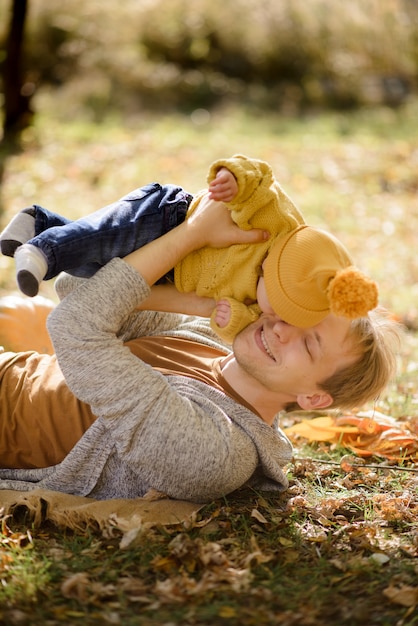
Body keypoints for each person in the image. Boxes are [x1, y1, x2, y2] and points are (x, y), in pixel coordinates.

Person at [0, 196, 402, 502]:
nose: (282, 328)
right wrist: (201, 300)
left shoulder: (218, 450)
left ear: (313, 397)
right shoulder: (209, 341)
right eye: (295, 313)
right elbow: (80, 288)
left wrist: (190, 235)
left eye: (310, 343)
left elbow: (74, 325)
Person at [0, 154, 378, 343]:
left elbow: (234, 325)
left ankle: (39, 221)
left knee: (95, 268)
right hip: (171, 215)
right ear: (278, 269)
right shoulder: (274, 221)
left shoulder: (257, 301)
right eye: (278, 303)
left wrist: (230, 320)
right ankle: (43, 249)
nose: (272, 314)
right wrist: (232, 179)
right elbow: (258, 176)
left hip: (171, 270)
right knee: (107, 235)